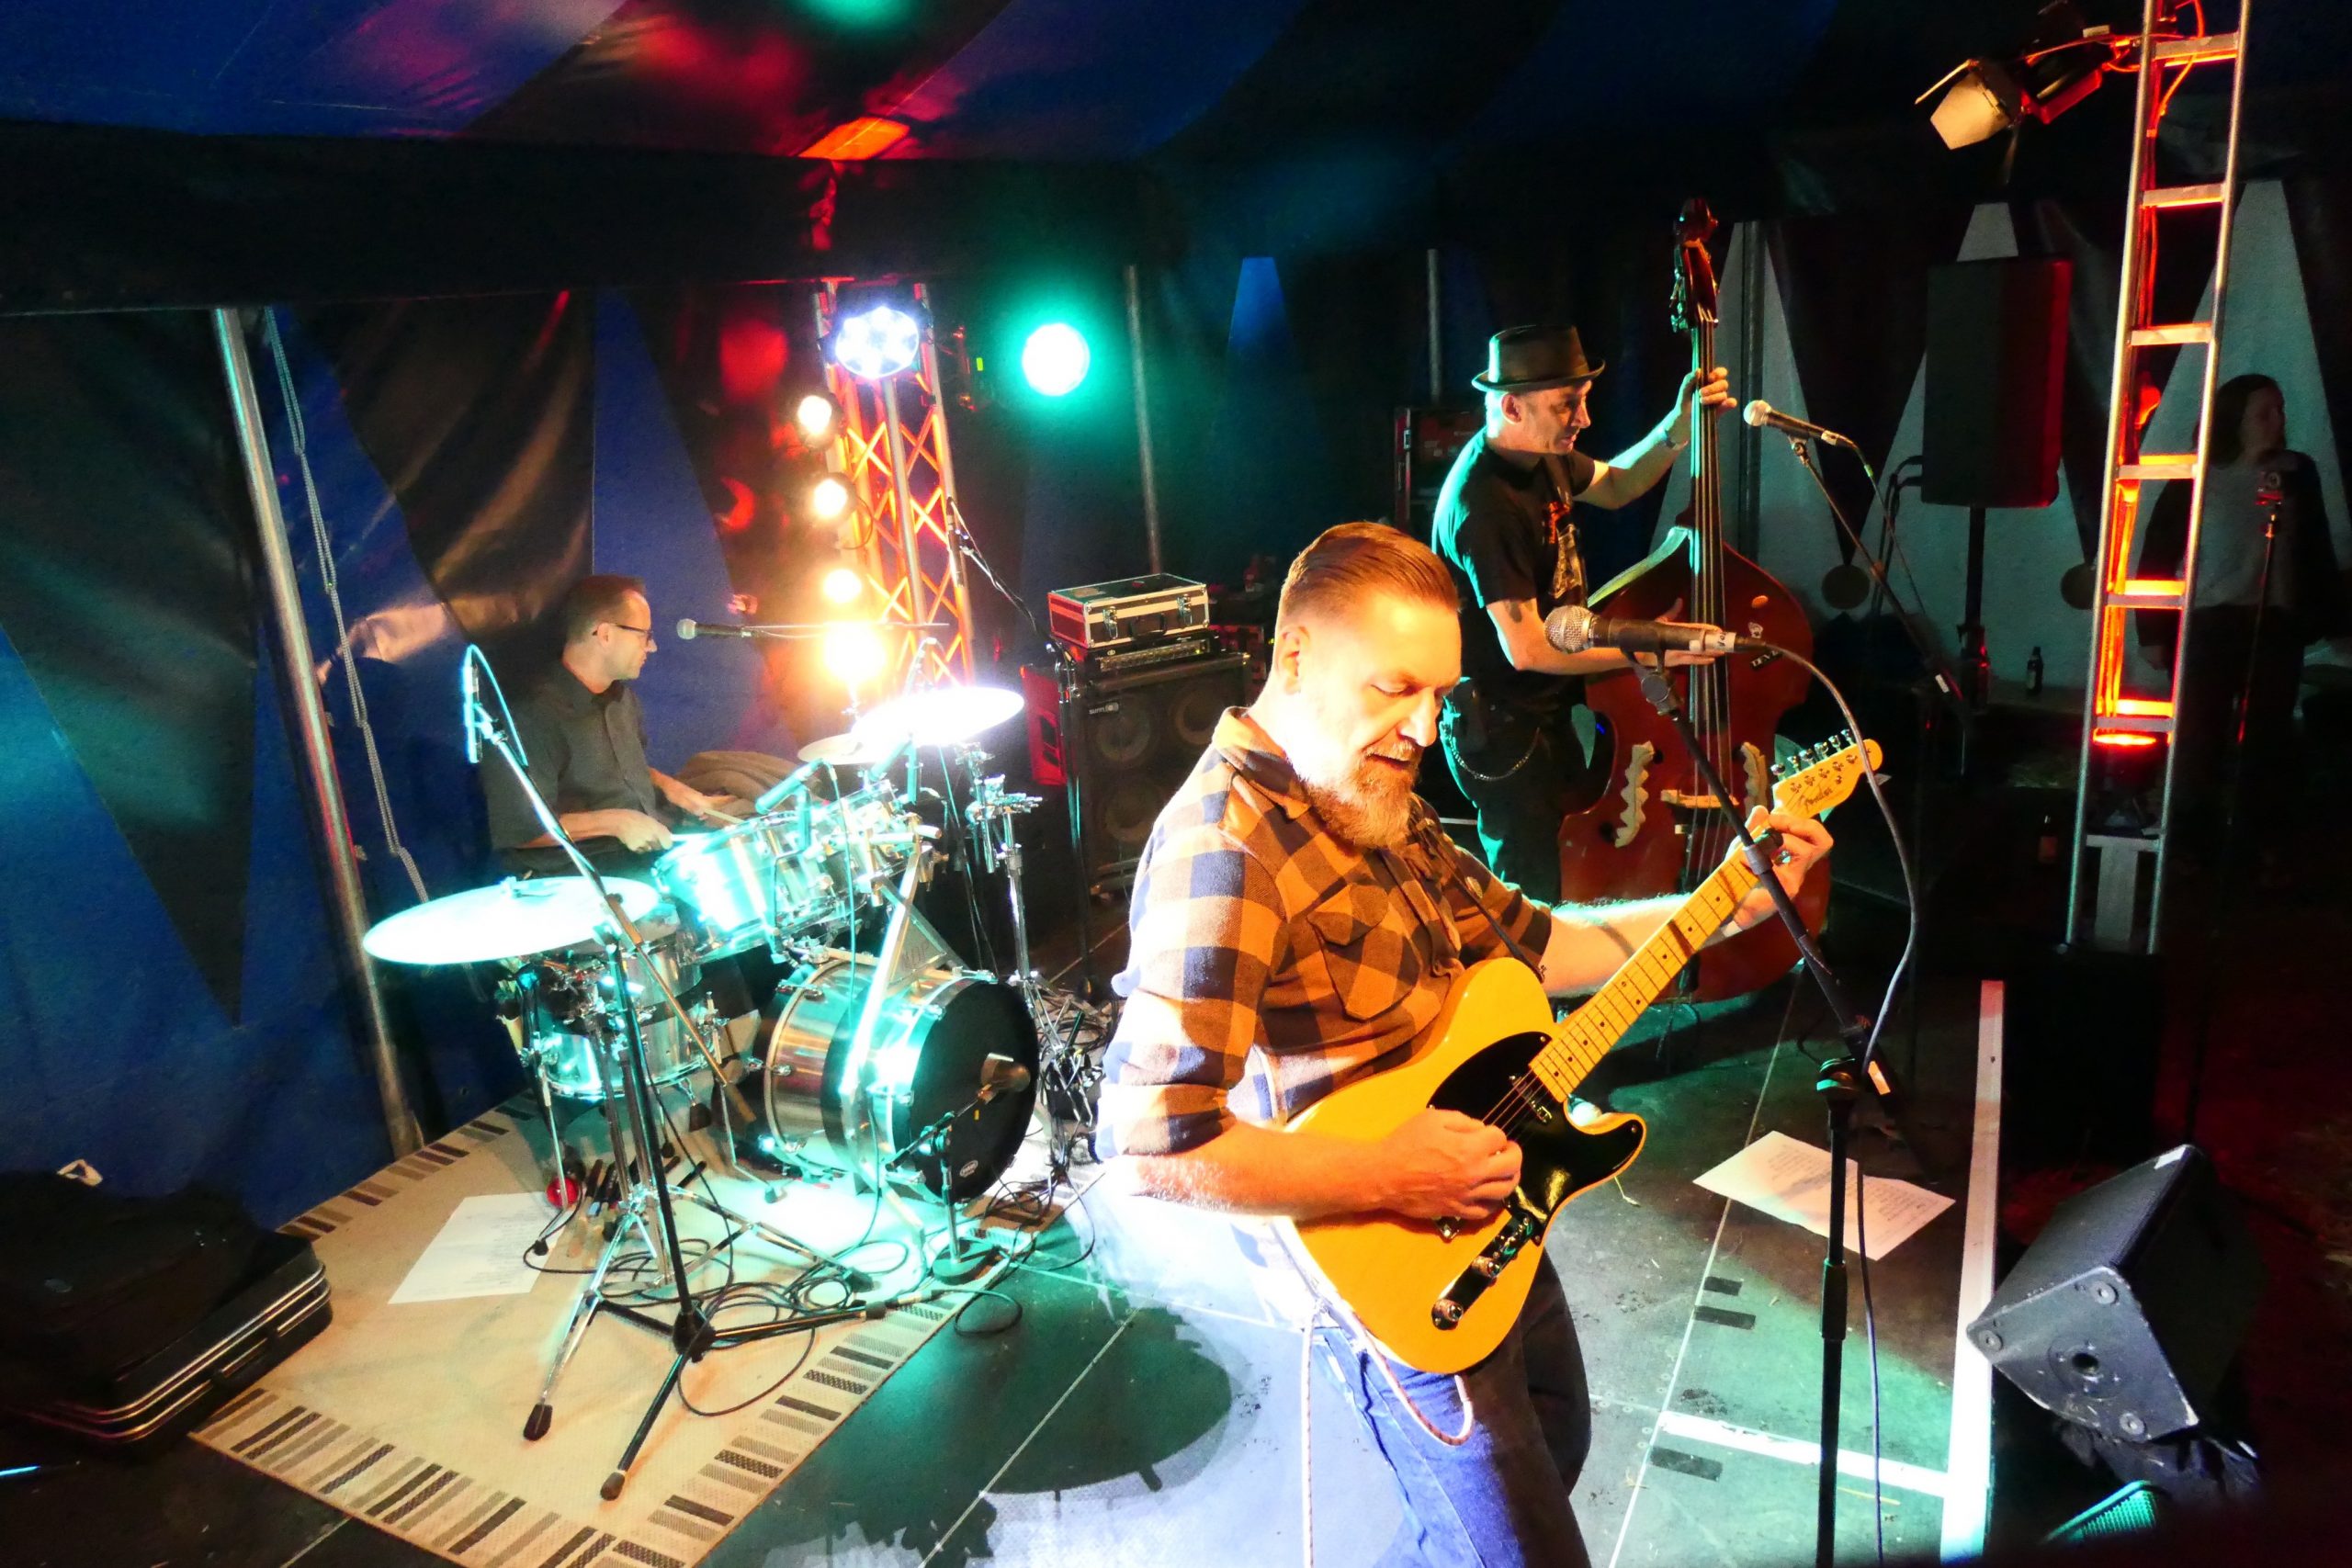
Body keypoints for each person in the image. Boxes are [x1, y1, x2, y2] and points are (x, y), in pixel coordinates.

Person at [1098, 523, 1831, 1567]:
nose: (1425, 729)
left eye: (1439, 695)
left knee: (1557, 1445)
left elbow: (1546, 945)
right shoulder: (1224, 848)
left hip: (1491, 1195)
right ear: (1294, 656)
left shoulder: (1373, 798)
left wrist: (1731, 904)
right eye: (1395, 689)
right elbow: (1148, 1151)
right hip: (1392, 1261)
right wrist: (1391, 1174)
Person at [1432, 324, 1735, 902]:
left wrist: (1677, 428)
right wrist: (1650, 649)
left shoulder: (1542, 457)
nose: (1584, 418)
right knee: (1533, 891)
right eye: (1567, 404)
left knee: (1570, 870)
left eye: (1584, 400)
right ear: (1513, 407)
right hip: (1502, 727)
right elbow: (1528, 648)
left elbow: (1618, 486)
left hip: (1542, 715)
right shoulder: (1485, 505)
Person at [2134, 374, 2346, 874]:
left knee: (2268, 736)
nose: (2278, 421)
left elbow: (2315, 544)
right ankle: (2190, 841)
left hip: (2274, 620)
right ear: (2236, 420)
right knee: (2199, 736)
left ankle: (2258, 842)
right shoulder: (2198, 474)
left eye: (2280, 410)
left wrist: (2321, 614)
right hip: (2209, 620)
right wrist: (2153, 633)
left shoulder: (2295, 472)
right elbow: (2158, 552)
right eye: (2264, 413)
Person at [481, 573, 738, 879]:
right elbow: (522, 829)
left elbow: (622, 766)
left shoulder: (622, 699)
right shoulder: (530, 717)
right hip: (592, 873)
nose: (652, 647)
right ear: (605, 635)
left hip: (653, 848)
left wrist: (673, 788)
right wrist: (617, 822)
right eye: (644, 635)